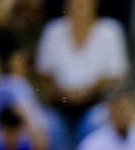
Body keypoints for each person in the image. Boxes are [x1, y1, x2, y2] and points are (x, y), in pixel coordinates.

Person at [35, 0, 128, 135]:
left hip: (97, 102)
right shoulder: (53, 30)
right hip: (60, 103)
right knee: (50, 126)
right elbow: (43, 72)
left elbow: (116, 74)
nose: (79, 5)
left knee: (95, 122)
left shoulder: (110, 30)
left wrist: (89, 90)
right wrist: (63, 91)